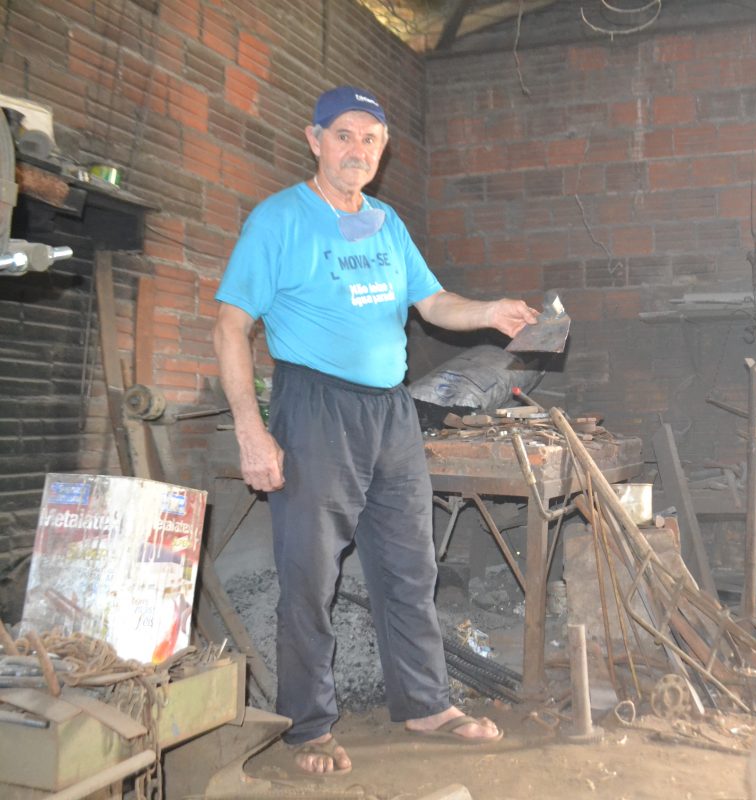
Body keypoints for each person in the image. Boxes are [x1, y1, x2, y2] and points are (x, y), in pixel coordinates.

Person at [212, 85, 538, 775]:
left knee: (409, 563)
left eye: (371, 139)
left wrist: (491, 312)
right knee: (310, 574)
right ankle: (308, 726)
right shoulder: (279, 221)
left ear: (382, 150)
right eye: (344, 135)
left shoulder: (388, 223)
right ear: (315, 140)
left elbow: (432, 302)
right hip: (315, 406)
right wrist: (252, 428)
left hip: (391, 411)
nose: (358, 150)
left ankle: (425, 702)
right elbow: (231, 325)